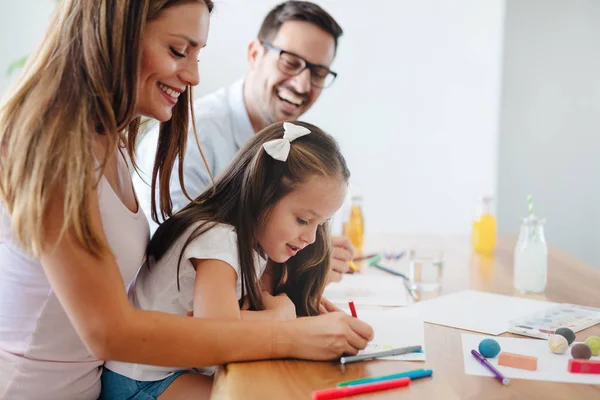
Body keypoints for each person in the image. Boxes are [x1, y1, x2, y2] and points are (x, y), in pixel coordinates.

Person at [0, 1, 373, 399]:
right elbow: (109, 332)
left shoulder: (110, 142)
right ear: (115, 33)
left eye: (197, 53)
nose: (194, 75)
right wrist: (287, 334)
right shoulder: (55, 149)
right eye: (179, 50)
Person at [102, 121, 349, 398]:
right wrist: (281, 318)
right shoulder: (218, 240)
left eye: (321, 224)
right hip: (140, 381)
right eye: (303, 219)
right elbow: (217, 338)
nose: (311, 238)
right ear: (262, 194)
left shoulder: (250, 245)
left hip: (166, 373)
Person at [134, 0, 354, 282]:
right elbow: (177, 255)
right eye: (290, 63)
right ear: (254, 54)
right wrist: (296, 266)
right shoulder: (192, 137)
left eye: (318, 73)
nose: (302, 85)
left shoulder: (292, 148)